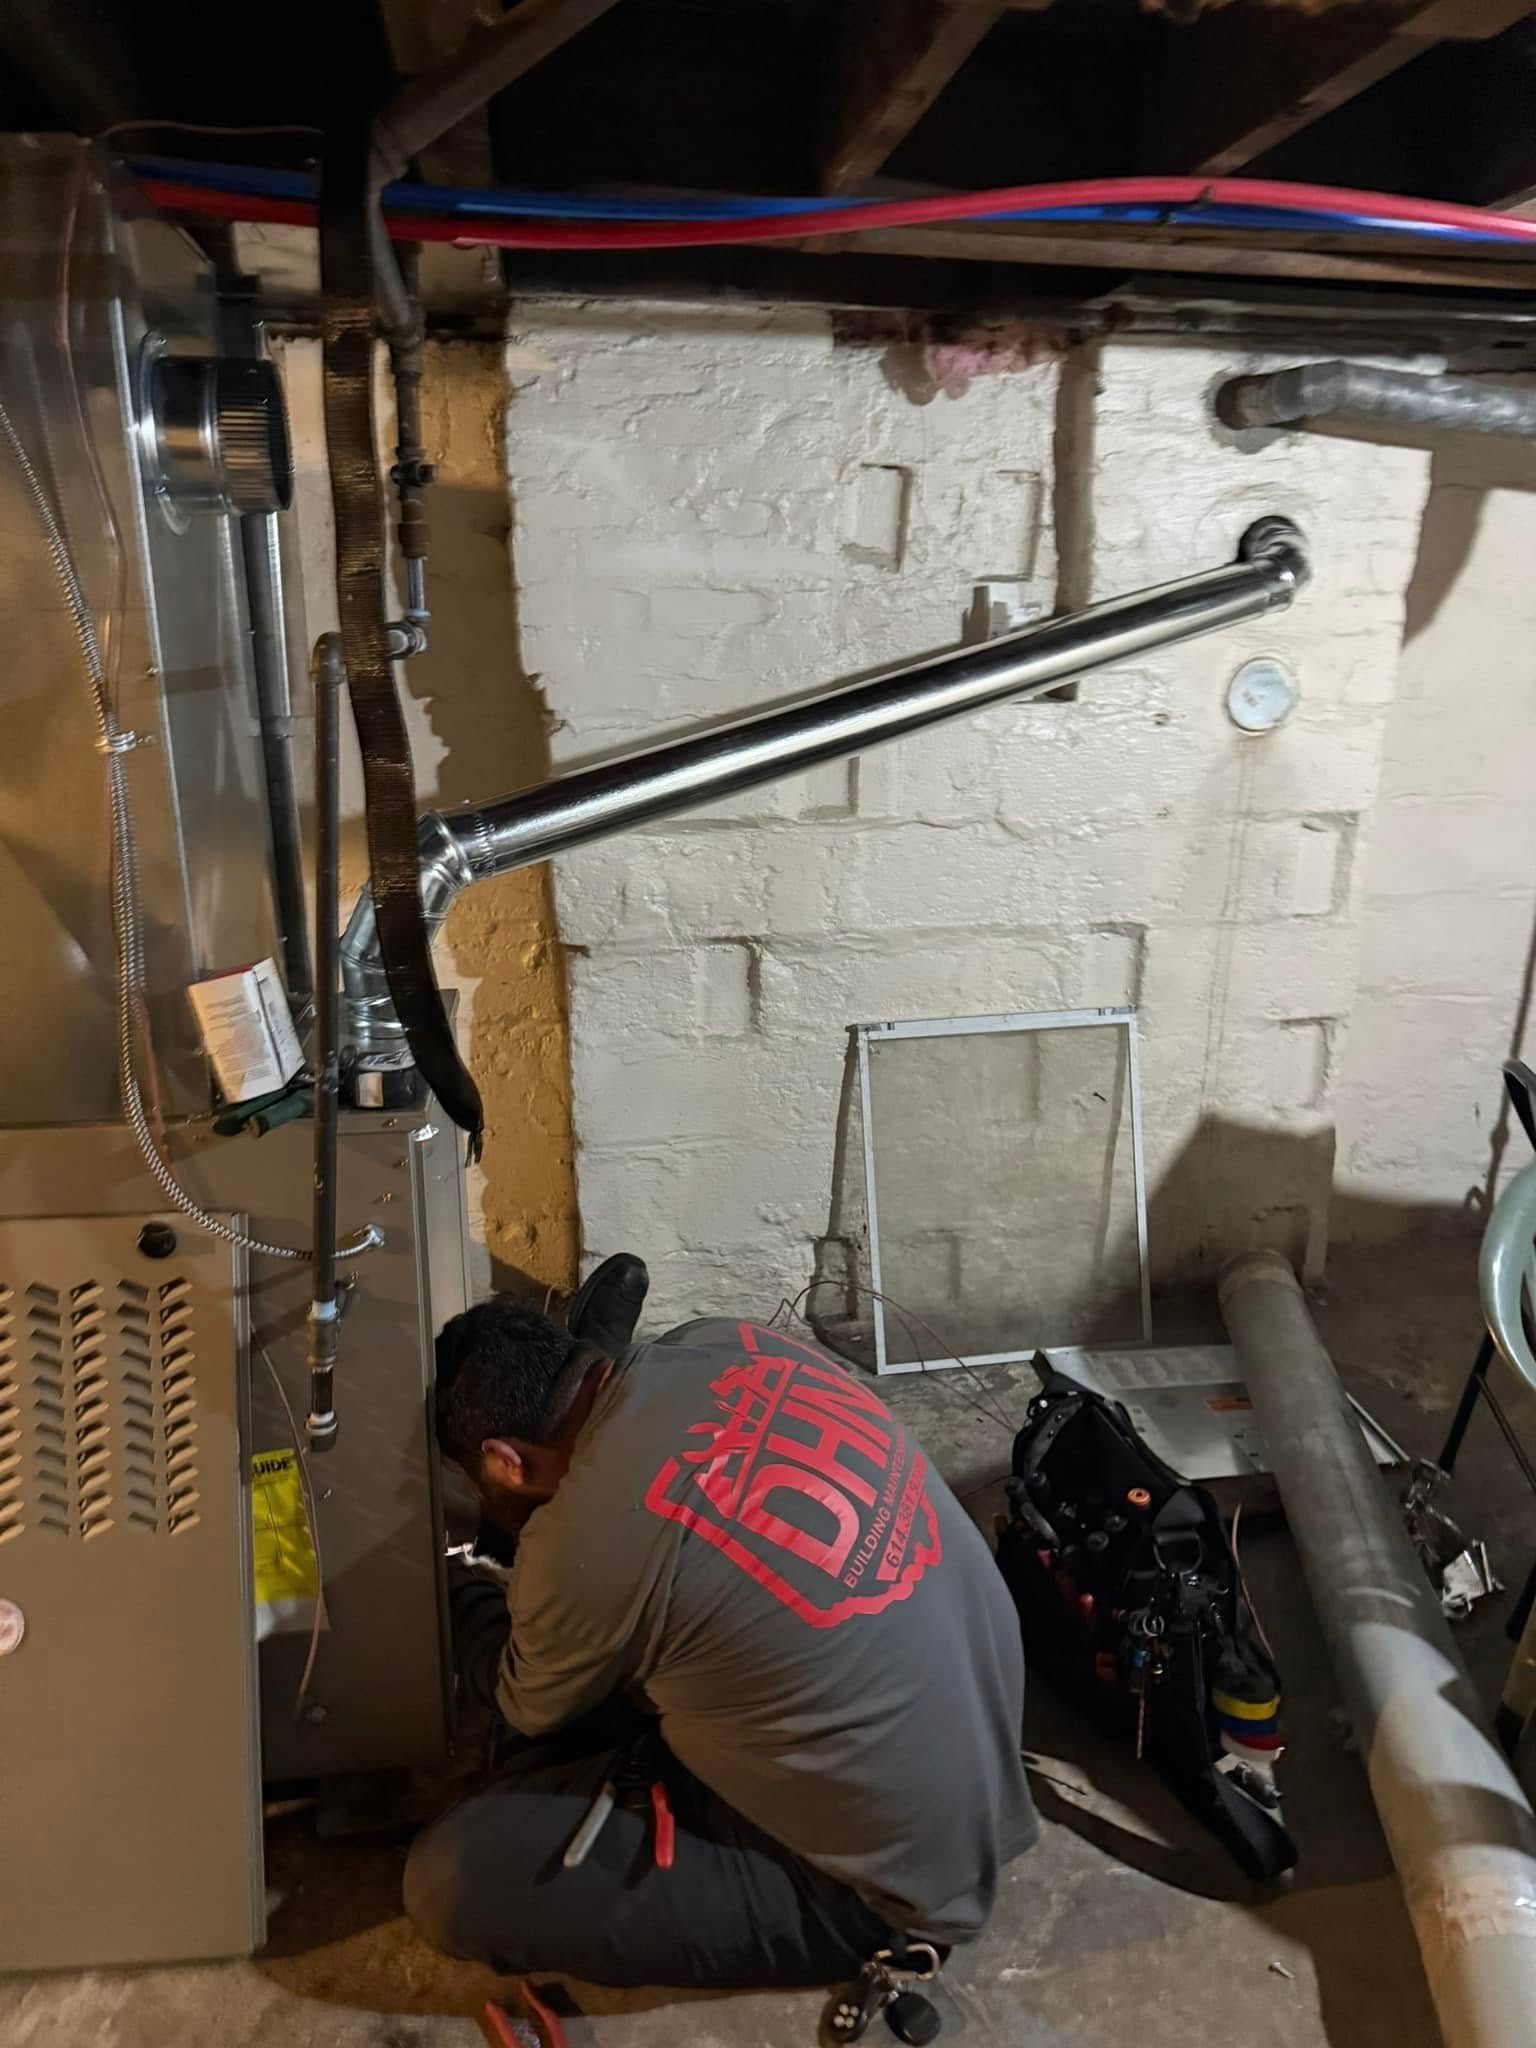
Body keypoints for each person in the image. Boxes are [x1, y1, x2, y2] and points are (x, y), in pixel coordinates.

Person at [405, 1254, 1036, 1991]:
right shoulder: (725, 1339)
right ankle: (588, 1352)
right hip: (982, 1731)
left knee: (450, 1880)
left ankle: (857, 1923)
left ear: (506, 1460)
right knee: (651, 1633)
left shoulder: (579, 1547)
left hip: (878, 1890)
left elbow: (525, 1700)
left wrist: (448, 1588)